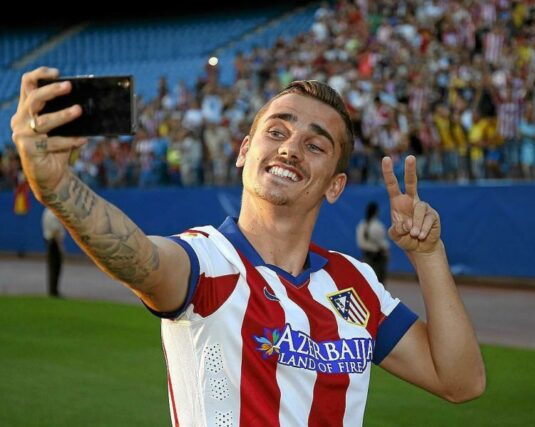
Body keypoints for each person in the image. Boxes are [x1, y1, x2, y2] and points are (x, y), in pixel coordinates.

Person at [11, 66, 485, 426]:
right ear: (244, 151)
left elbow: (460, 381)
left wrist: (427, 254)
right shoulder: (206, 260)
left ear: (335, 186)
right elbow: (136, 255)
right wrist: (54, 185)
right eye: (276, 132)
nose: (290, 148)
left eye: (315, 146)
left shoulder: (353, 283)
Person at [356, 201, 389, 284]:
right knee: (379, 281)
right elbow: (382, 243)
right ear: (376, 212)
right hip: (377, 257)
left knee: (367, 279)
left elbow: (360, 242)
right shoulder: (377, 226)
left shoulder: (362, 225)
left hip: (366, 255)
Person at [42, 206, 65, 297]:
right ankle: (54, 291)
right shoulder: (54, 214)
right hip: (54, 242)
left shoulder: (46, 212)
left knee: (51, 267)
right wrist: (60, 246)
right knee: (56, 267)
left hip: (48, 240)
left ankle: (52, 289)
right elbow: (56, 231)